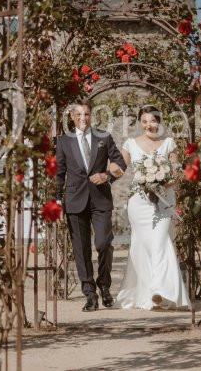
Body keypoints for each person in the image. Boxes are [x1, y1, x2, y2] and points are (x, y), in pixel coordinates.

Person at [115, 105, 190, 310]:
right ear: (140, 122)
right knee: (143, 246)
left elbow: (176, 173)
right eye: (145, 121)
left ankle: (160, 291)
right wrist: (107, 171)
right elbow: (120, 168)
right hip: (139, 204)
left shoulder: (169, 144)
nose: (150, 125)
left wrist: (163, 183)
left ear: (159, 122)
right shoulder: (131, 144)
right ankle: (148, 291)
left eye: (153, 121)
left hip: (164, 201)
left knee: (160, 242)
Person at [55, 101, 127, 311]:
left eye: (86, 114)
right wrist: (58, 201)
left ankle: (104, 286)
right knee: (81, 249)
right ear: (72, 117)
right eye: (78, 115)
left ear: (91, 115)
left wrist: (107, 176)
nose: (83, 118)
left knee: (104, 243)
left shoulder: (103, 137)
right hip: (75, 201)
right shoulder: (63, 142)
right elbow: (59, 173)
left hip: (100, 199)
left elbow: (120, 163)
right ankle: (90, 295)